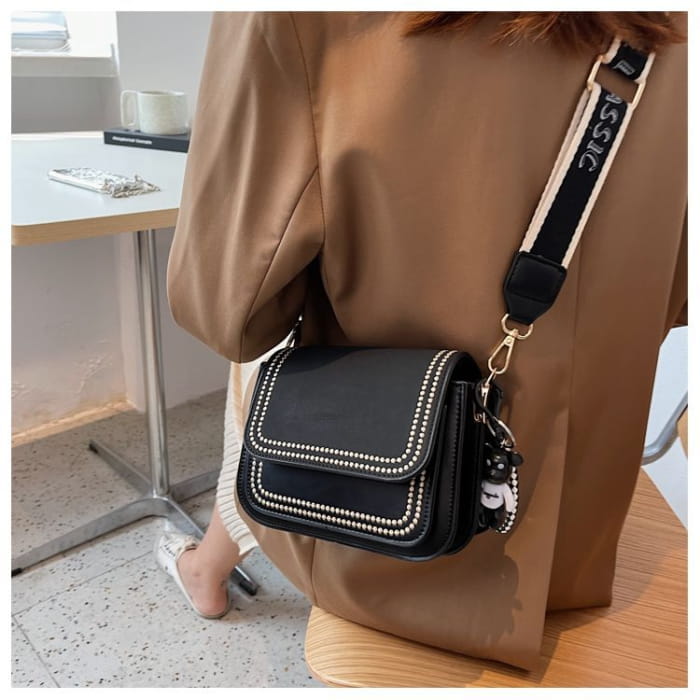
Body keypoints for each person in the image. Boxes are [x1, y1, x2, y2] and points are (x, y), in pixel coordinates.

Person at [160, 11, 687, 668]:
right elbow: (675, 297)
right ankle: (208, 565)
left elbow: (228, 314)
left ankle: (206, 567)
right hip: (583, 543)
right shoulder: (674, 31)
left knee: (263, 370)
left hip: (381, 550)